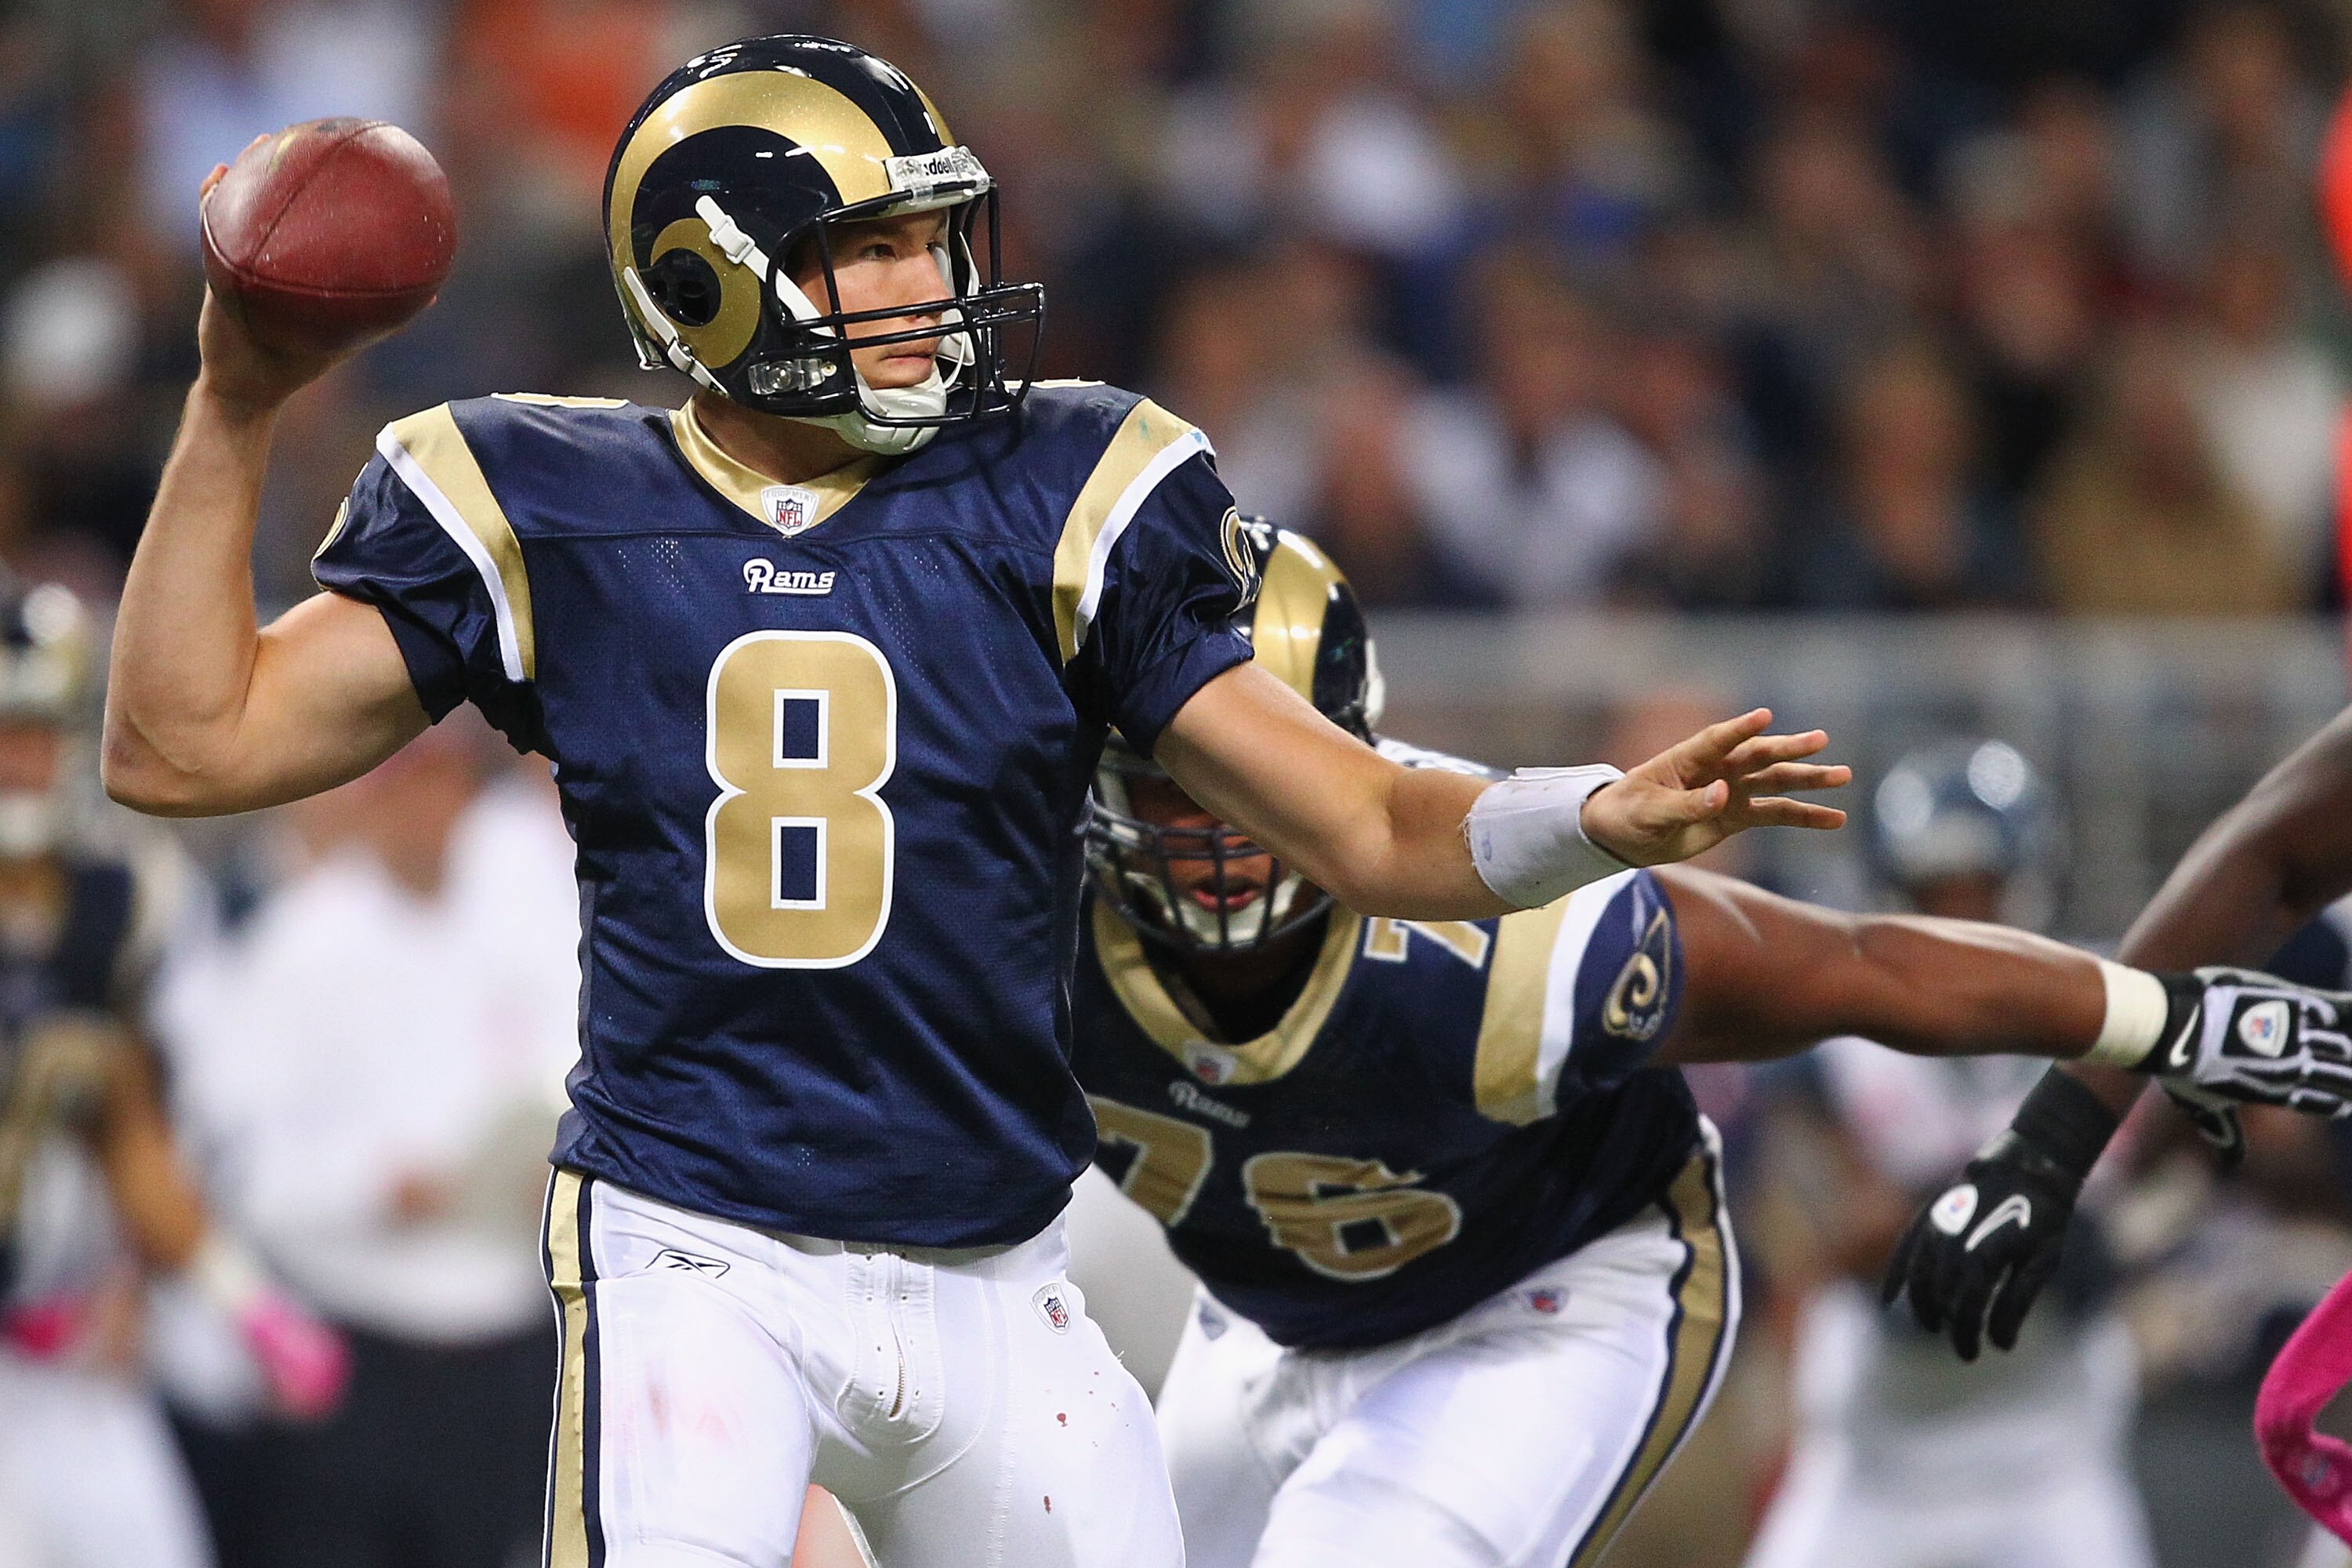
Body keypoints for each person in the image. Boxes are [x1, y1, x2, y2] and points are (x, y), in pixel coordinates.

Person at [93, 34, 2321, 1568]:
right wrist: (232, 399)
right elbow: (185, 749)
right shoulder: (537, 498)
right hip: (696, 1241)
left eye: (928, 239)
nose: (928, 290)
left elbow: (1366, 827)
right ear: (710, 284)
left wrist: (1579, 818)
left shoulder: (1064, 488)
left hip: (996, 1266)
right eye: (870, 252)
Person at [1065, 524, 2350, 1568]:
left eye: (1254, 769)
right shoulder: (1020, 920)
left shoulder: (1516, 940)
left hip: (1542, 1297)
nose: (1222, 824)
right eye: (1176, 772)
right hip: (1271, 1321)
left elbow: (1855, 967)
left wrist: (2157, 1032)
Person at [155, 720, 576, 1568]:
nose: (429, 810)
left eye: (445, 784)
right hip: (363, 1351)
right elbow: (236, 1170)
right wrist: (370, 1188)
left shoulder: (531, 900)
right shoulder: (300, 946)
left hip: (508, 1349)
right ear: (369, 796)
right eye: (406, 785)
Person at [1740, 739, 2153, 1568]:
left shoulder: (2103, 1014)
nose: (1961, 915)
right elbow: (1842, 1246)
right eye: (1938, 891)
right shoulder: (1836, 1041)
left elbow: (2155, 1207)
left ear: (2029, 886)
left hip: (2049, 1460)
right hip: (1876, 1464)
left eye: (1981, 888)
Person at [0, 578, 344, 1568]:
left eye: (34, 731)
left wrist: (234, 1303)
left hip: (76, 1357)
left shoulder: (124, 902)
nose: (19, 763)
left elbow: (143, 1123)